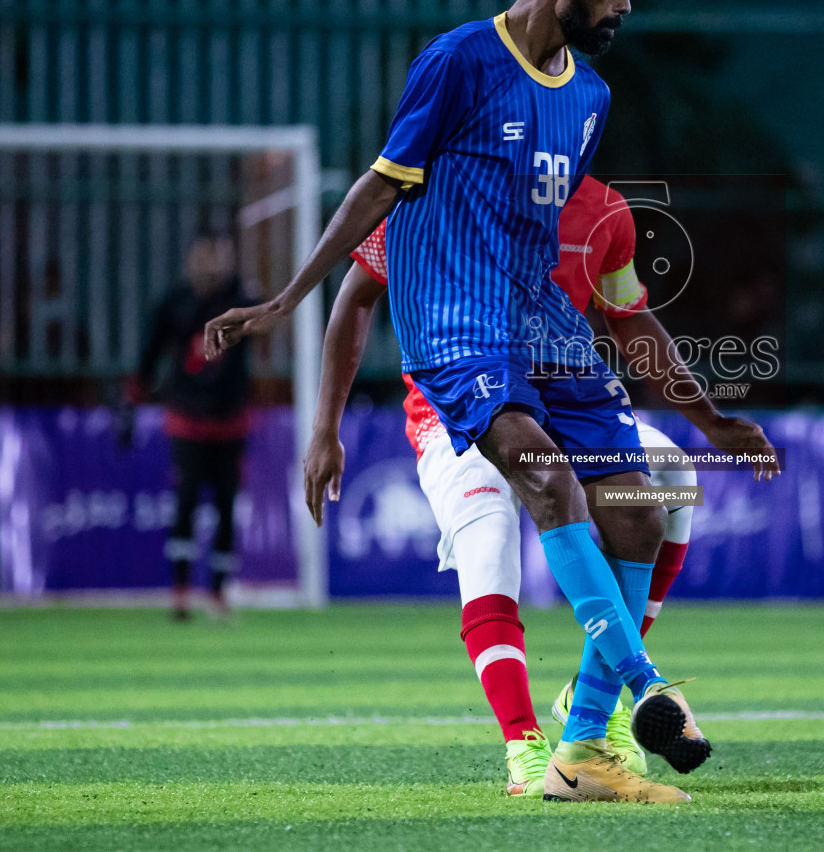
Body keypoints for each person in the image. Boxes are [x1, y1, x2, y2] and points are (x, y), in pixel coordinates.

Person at [203, 0, 734, 803]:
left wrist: (703, 409)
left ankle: (579, 755)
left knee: (643, 506)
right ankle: (641, 690)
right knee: (539, 471)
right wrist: (290, 295)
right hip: (457, 326)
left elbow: (560, 250)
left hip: (543, 329)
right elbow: (378, 188)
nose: (627, 2)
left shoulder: (592, 100)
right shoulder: (455, 61)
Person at [308, 176, 777, 796]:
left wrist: (710, 422)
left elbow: (629, 318)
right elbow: (358, 295)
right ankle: (525, 744)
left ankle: (594, 703)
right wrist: (325, 427)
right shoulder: (441, 190)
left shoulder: (605, 209)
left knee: (669, 479)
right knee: (490, 538)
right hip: (456, 406)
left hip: (561, 402)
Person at [129, 234, 253, 621]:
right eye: (205, 255)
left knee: (226, 507)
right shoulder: (174, 302)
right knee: (184, 502)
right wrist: (130, 404)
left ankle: (218, 593)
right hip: (186, 420)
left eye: (219, 255)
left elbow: (274, 318)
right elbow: (148, 355)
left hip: (230, 422)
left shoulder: (244, 300)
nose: (212, 264)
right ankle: (180, 591)